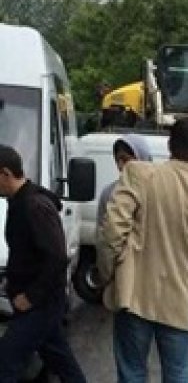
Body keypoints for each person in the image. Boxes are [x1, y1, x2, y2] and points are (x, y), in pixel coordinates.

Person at [100, 118, 188, 383]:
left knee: (132, 372)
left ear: (169, 144)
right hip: (180, 301)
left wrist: (108, 273)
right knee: (178, 374)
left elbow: (112, 230)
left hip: (134, 294)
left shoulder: (138, 174)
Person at [0, 144, 87, 382]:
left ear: (6, 174)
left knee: (7, 361)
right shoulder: (18, 202)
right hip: (33, 301)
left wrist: (31, 296)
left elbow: (57, 258)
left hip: (41, 303)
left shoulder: (34, 206)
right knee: (60, 359)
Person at [96, 134, 153, 286]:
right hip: (123, 277)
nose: (121, 166)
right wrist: (108, 275)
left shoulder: (157, 191)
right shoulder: (110, 193)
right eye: (118, 160)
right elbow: (104, 238)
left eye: (126, 159)